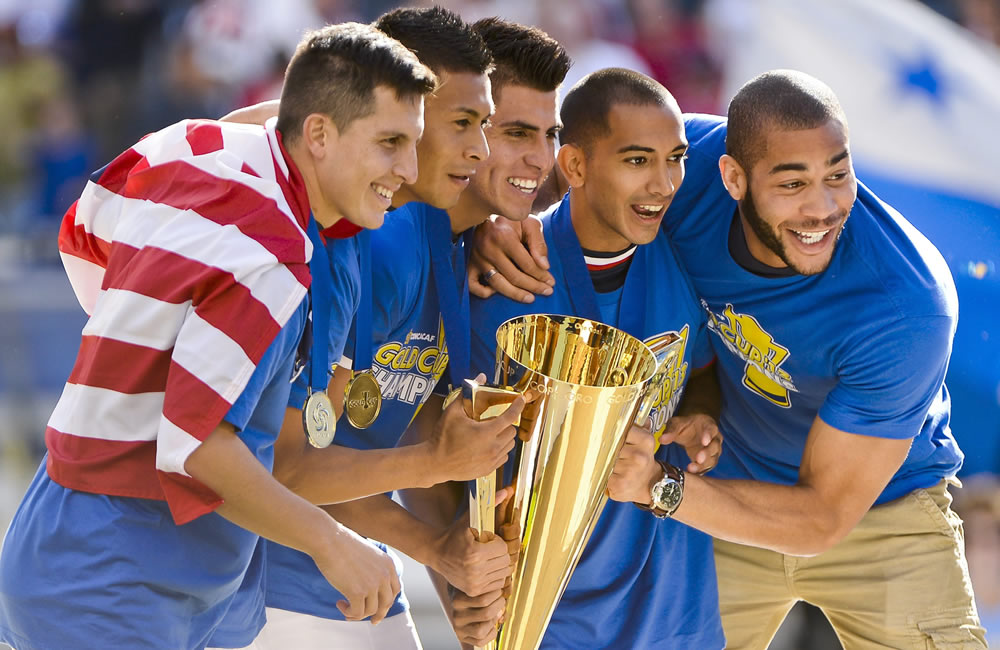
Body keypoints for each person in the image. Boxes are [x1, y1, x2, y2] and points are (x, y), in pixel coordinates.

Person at [474, 69, 986, 648]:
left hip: (877, 514)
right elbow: (590, 167)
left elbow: (822, 517)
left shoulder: (907, 305)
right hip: (723, 496)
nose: (821, 208)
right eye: (792, 185)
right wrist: (501, 226)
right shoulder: (684, 174)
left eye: (838, 175)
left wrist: (659, 485)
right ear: (732, 177)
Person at [0, 22, 435, 650]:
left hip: (82, 543)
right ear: (318, 132)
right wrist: (332, 542)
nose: (409, 169)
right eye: (390, 142)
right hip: (117, 578)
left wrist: (140, 363)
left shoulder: (199, 144)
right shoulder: (267, 263)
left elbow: (85, 226)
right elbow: (198, 450)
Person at [217, 8, 524, 649]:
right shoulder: (358, 242)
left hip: (343, 580)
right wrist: (436, 522)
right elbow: (294, 462)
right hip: (270, 583)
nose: (487, 150)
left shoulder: (439, 232)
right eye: (465, 123)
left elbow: (380, 408)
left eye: (491, 127)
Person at [461, 67, 725, 649]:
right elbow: (461, 461)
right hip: (546, 616)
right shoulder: (508, 273)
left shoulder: (685, 259)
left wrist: (700, 420)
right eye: (637, 161)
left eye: (675, 159)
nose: (663, 184)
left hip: (674, 612)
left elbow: (700, 372)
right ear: (575, 166)